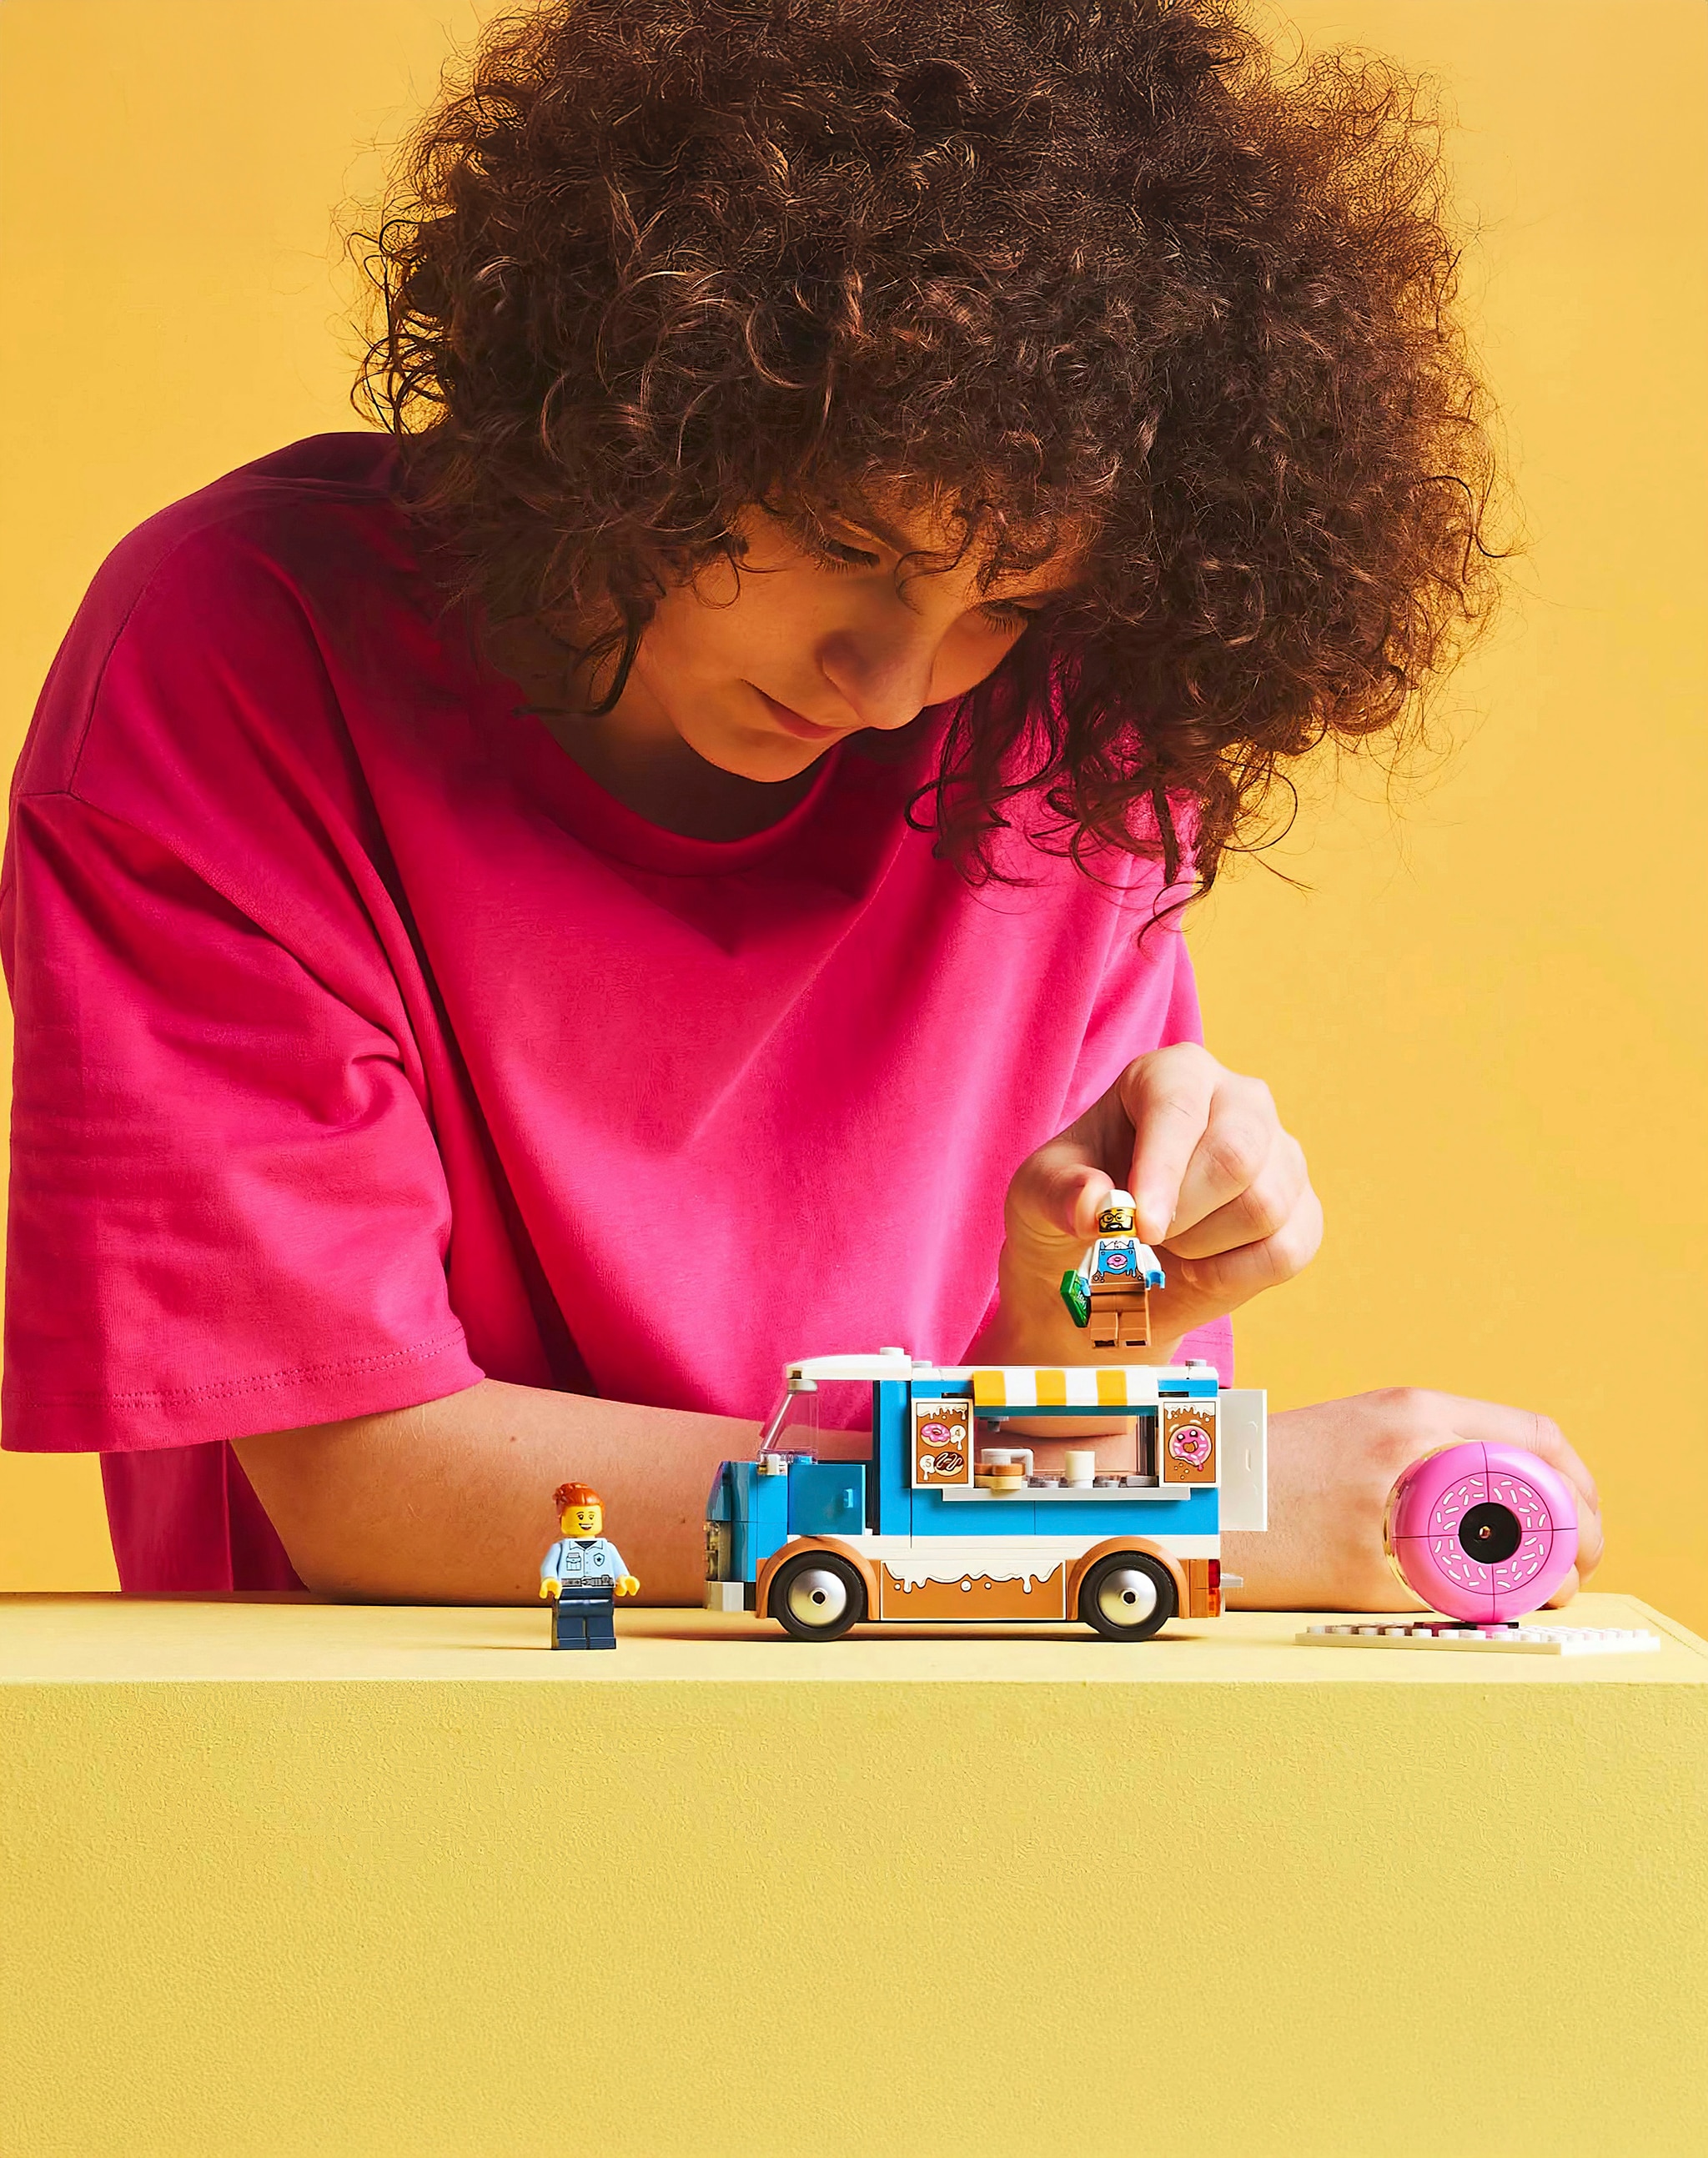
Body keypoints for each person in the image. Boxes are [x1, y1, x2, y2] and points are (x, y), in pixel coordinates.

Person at [0, 0, 1602, 1611]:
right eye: (851, 547)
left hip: (910, 1787)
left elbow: (999, 1507)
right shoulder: (240, 655)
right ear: (650, 400)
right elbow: (357, 1480)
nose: (899, 685)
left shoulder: (1060, 745)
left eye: (1006, 604)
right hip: (394, 1795)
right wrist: (1211, 1516)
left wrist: (1058, 1328)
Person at [540, 1483, 640, 1649]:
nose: (586, 1521)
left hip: (601, 1591)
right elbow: (548, 1566)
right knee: (568, 1617)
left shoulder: (607, 1548)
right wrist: (550, 1580)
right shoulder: (561, 1548)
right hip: (568, 1591)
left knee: (601, 1616)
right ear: (562, 1518)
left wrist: (624, 1580)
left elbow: (618, 1568)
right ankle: (569, 1641)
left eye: (591, 1516)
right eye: (580, 1516)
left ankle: (601, 1640)